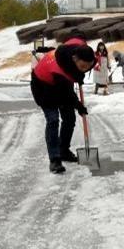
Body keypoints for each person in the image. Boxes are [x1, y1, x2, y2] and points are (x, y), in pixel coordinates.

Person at [30, 37, 95, 174]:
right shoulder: (60, 70)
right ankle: (55, 159)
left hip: (60, 83)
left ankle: (63, 150)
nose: (85, 69)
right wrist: (79, 106)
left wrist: (79, 74)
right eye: (82, 67)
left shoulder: (78, 48)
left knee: (69, 119)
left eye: (88, 67)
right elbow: (68, 94)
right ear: (74, 59)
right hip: (43, 86)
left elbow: (76, 38)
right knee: (53, 120)